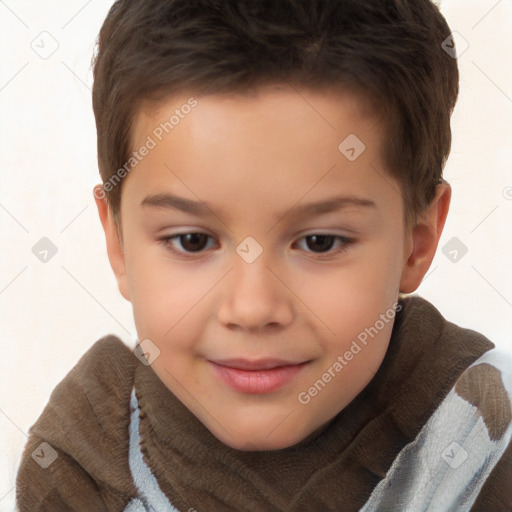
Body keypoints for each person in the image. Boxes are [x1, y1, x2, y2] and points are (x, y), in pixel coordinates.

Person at [16, 0, 512, 510]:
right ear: (118, 244)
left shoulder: (489, 442)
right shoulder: (80, 467)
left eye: (320, 242)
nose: (252, 308)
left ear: (419, 240)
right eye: (192, 241)